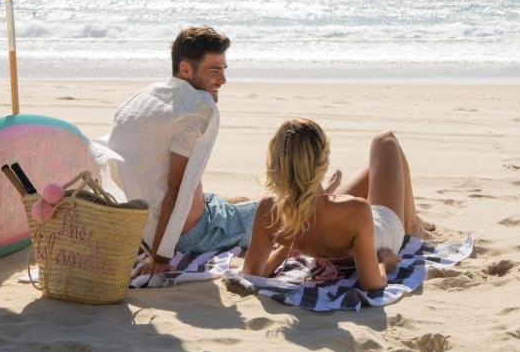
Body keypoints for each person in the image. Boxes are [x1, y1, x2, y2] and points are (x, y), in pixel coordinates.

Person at [101, 26, 253, 276]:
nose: (223, 80)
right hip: (193, 232)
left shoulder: (148, 96)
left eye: (224, 69)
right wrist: (159, 258)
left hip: (143, 224)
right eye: (214, 70)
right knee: (275, 211)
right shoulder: (196, 110)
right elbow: (176, 189)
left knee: (242, 201)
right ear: (185, 69)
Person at [241, 119, 423, 292]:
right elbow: (372, 283)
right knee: (385, 140)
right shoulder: (357, 209)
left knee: (373, 170)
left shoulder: (268, 209)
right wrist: (384, 261)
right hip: (381, 234)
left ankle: (413, 217)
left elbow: (253, 273)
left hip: (324, 220)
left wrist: (289, 243)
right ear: (323, 163)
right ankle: (412, 225)